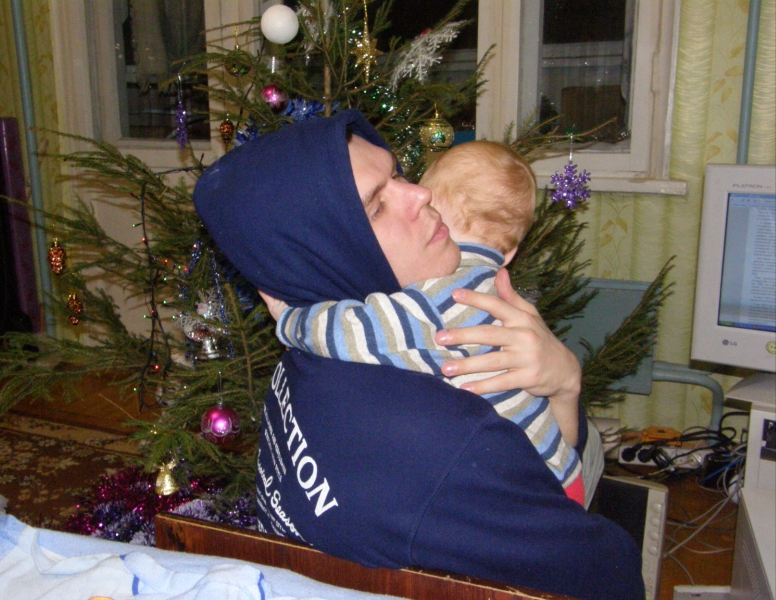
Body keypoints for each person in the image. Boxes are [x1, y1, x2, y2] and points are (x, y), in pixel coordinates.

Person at [192, 109, 644, 600]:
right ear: (324, 247)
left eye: (399, 174)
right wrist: (567, 390)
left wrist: (564, 384)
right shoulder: (448, 443)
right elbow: (607, 570)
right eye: (375, 207)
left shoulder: (310, 359)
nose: (422, 195)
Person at [261, 140, 584, 505]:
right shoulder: (495, 289)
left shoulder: (441, 295)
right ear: (509, 253)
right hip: (562, 467)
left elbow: (352, 332)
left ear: (432, 214)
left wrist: (290, 317)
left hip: (531, 489)